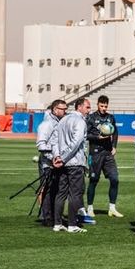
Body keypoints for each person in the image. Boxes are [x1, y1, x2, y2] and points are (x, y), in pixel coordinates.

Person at [52, 96, 92, 233]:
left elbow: (55, 141)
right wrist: (62, 158)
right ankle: (72, 224)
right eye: (87, 107)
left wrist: (57, 156)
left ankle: (57, 223)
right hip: (74, 162)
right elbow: (76, 142)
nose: (89, 110)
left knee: (61, 193)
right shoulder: (80, 121)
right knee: (75, 194)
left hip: (62, 163)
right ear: (79, 107)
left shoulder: (63, 120)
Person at [85, 95, 122, 219]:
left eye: (106, 106)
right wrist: (97, 138)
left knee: (115, 179)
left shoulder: (110, 118)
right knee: (94, 181)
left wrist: (114, 146)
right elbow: (85, 135)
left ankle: (112, 208)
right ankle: (90, 208)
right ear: (97, 105)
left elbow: (115, 132)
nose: (104, 108)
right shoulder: (91, 118)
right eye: (102, 106)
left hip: (107, 153)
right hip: (95, 153)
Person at [35, 98, 67, 226]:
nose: (65, 111)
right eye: (62, 109)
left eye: (65, 109)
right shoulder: (47, 124)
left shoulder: (60, 122)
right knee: (48, 190)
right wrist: (52, 157)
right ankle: (47, 217)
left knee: (56, 189)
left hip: (57, 162)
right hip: (48, 164)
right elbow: (41, 145)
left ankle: (54, 216)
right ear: (54, 109)